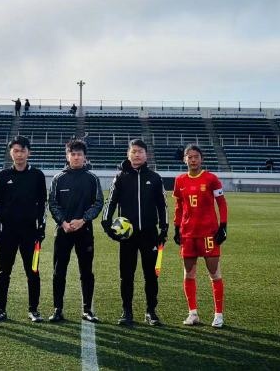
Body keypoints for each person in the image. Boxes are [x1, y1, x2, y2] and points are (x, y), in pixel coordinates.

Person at [102, 139, 168, 326]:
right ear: (128, 154)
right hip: (127, 235)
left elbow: (162, 205)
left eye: (140, 151)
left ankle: (151, 311)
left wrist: (164, 228)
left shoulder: (155, 178)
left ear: (146, 155)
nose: (137, 154)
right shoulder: (120, 177)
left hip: (149, 234)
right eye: (133, 151)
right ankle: (127, 311)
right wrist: (107, 225)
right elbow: (111, 202)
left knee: (151, 275)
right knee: (126, 275)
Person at [0, 136, 48, 323]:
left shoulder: (37, 175)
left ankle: (34, 310)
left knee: (33, 271)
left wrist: (41, 228)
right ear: (10, 153)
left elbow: (43, 204)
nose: (19, 154)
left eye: (22, 151)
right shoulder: (3, 175)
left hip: (31, 233)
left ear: (29, 152)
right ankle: (0, 310)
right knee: (3, 272)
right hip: (8, 233)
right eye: (15, 151)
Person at [48, 139, 103, 323]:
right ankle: (57, 309)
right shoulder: (58, 178)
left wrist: (84, 220)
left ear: (85, 157)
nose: (76, 157)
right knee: (59, 271)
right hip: (63, 231)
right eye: (73, 154)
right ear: (67, 156)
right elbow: (52, 203)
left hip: (84, 231)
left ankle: (87, 309)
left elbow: (98, 203)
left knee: (86, 271)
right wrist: (63, 222)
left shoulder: (92, 179)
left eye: (79, 154)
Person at [173, 145, 228, 328]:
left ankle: (218, 315)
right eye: (189, 157)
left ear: (201, 159)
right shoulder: (180, 180)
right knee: (189, 274)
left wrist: (223, 226)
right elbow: (179, 207)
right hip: (188, 234)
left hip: (209, 234)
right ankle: (193, 314)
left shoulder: (211, 178)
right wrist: (176, 228)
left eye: (196, 156)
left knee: (214, 273)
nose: (193, 160)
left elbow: (221, 203)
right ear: (184, 159)